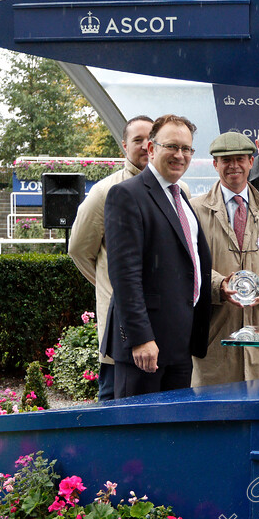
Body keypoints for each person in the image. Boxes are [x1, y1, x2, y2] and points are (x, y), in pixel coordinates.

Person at [102, 114, 212, 398]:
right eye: (171, 146)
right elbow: (124, 276)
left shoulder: (181, 197)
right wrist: (141, 339)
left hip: (179, 346)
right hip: (146, 350)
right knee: (138, 435)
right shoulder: (126, 195)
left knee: (173, 437)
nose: (180, 155)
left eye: (186, 149)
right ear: (151, 149)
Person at [190, 132, 259, 386]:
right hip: (214, 333)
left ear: (252, 162)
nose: (234, 166)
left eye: (240, 159)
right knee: (215, 410)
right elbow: (189, 263)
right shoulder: (194, 209)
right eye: (225, 160)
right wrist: (219, 285)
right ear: (214, 164)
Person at [69, 115, 160, 401]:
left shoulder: (176, 190)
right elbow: (79, 250)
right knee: (116, 399)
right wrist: (113, 285)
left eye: (151, 141)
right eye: (137, 141)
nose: (145, 147)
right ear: (124, 146)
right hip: (121, 325)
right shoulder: (104, 192)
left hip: (163, 320)